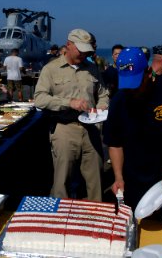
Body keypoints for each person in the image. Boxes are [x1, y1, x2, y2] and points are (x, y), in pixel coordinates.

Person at [104, 46, 162, 210]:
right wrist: (118, 176)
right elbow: (115, 143)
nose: (132, 91)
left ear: (148, 72)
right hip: (134, 183)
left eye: (136, 84)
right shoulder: (119, 100)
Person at [34, 28, 109, 201]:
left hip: (91, 128)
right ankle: (60, 218)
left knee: (95, 177)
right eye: (80, 49)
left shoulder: (92, 68)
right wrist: (68, 103)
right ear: (68, 45)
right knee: (62, 180)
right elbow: (39, 99)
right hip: (64, 128)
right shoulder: (51, 69)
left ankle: (95, 215)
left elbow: (103, 93)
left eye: (86, 50)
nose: (83, 54)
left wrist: (102, 107)